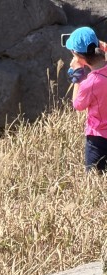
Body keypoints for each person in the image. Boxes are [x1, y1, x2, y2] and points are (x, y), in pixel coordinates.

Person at [64, 27, 107, 172]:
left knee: (95, 178)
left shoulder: (89, 84)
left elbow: (77, 105)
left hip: (98, 141)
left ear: (79, 56)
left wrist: (78, 76)